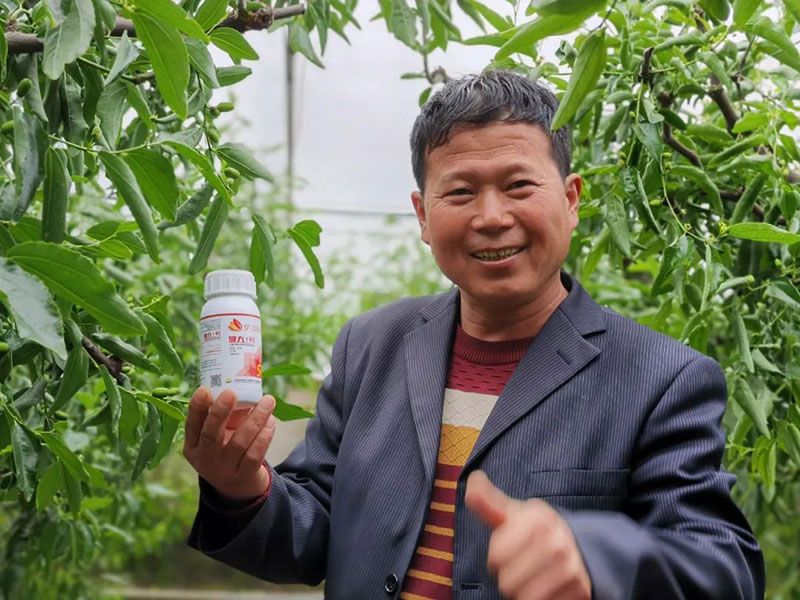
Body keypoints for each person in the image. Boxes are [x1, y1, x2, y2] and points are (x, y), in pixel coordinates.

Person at [183, 71, 765, 600]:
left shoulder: (661, 378)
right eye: (460, 192)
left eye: (519, 185)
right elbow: (316, 529)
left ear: (570, 199)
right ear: (423, 215)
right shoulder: (372, 345)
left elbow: (724, 569)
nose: (491, 217)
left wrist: (595, 558)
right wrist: (244, 489)